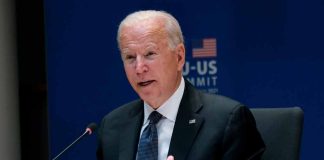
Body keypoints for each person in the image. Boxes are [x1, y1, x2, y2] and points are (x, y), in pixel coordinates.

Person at [96, 10, 265, 160]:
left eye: (150, 54)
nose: (139, 68)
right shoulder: (112, 127)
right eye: (130, 57)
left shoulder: (227, 122)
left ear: (179, 57)